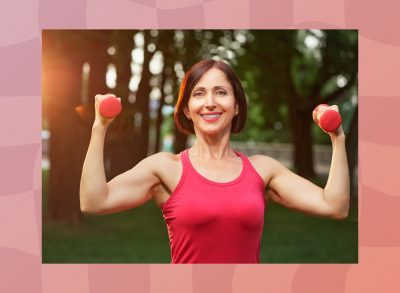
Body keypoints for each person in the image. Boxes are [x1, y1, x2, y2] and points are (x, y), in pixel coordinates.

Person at [80, 59, 350, 264]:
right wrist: (99, 126)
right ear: (187, 109)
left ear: (236, 106)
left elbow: (334, 205)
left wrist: (337, 138)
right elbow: (94, 201)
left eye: (221, 92)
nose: (210, 102)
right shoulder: (165, 168)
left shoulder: (262, 170)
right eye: (199, 94)